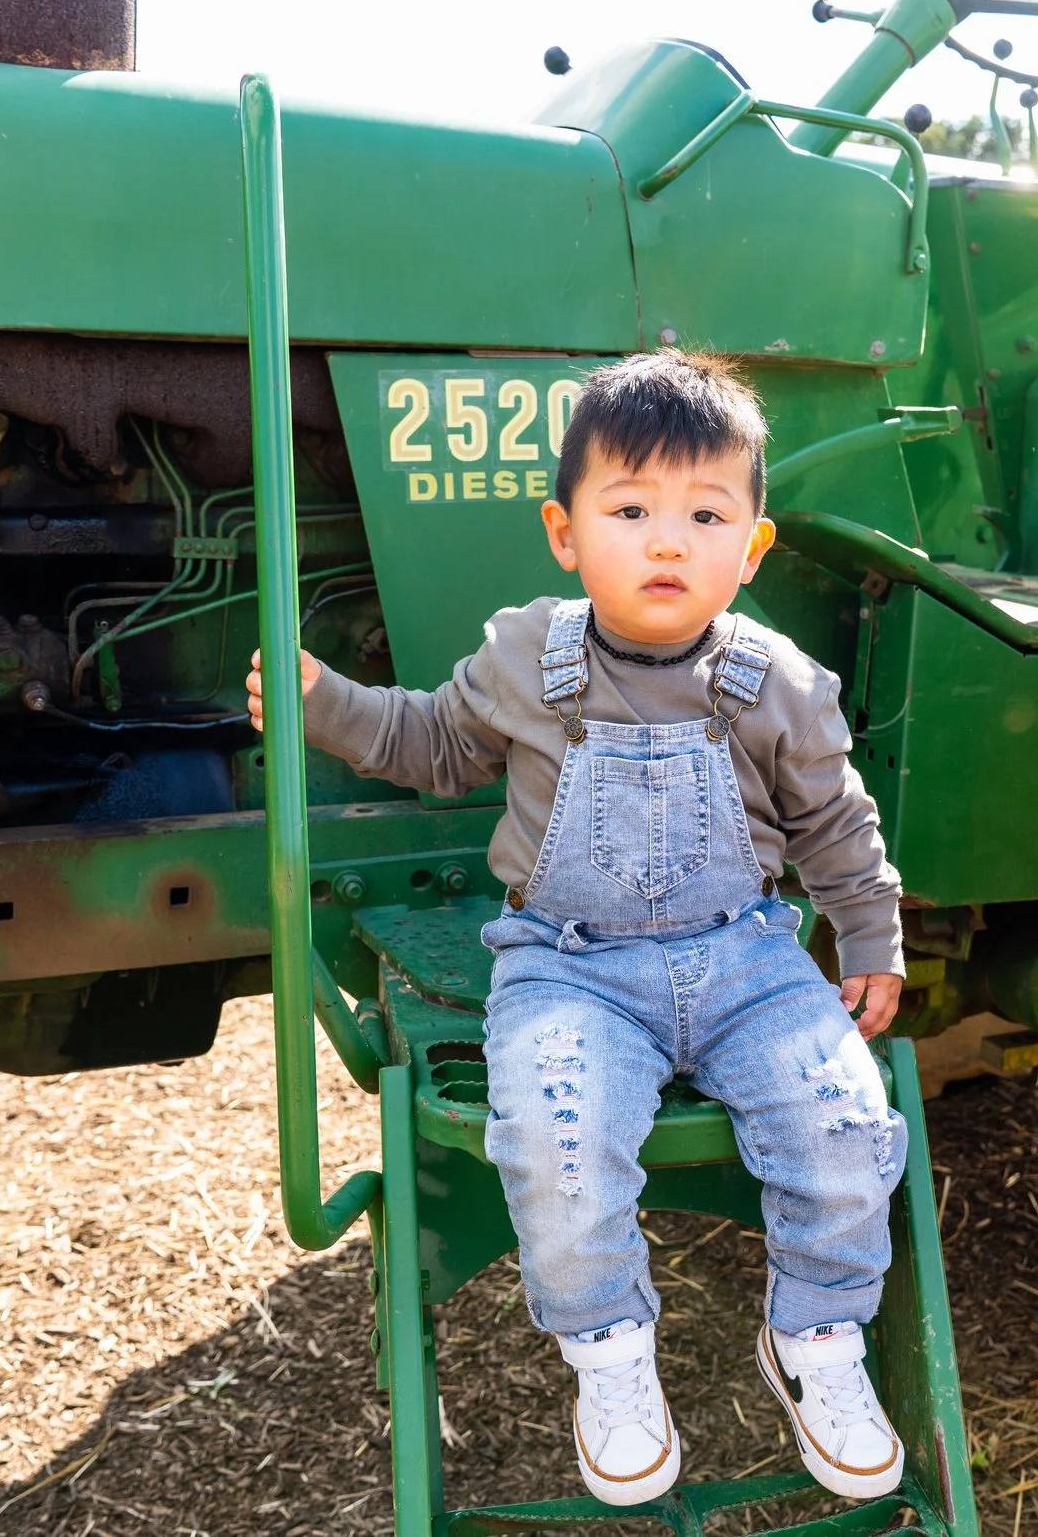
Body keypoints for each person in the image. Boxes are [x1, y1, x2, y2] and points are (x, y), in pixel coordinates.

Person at [246, 349, 909, 1506]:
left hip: (746, 954)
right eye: (631, 508)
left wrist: (868, 933)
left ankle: (817, 1339)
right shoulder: (528, 659)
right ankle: (609, 1353)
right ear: (566, 531)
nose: (667, 541)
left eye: (705, 514)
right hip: (569, 965)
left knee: (848, 1122)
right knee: (556, 1137)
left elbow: (835, 821)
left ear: (750, 549)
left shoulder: (776, 682)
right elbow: (428, 745)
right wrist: (322, 705)